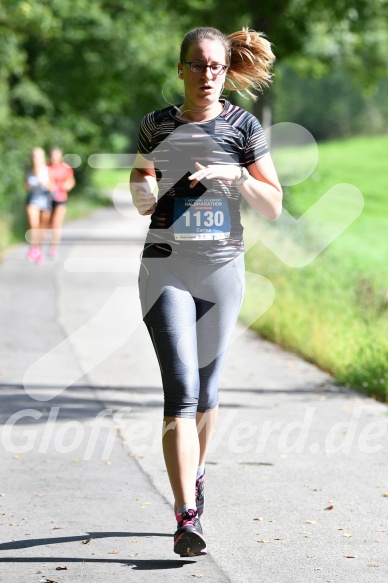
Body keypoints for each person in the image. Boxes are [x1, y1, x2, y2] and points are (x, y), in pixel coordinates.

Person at [129, 26, 282, 557]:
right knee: (181, 392)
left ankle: (193, 477)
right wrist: (145, 192)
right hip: (165, 268)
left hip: (221, 271)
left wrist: (234, 174)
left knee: (208, 391)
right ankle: (186, 515)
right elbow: (139, 180)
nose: (207, 75)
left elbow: (273, 205)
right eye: (197, 65)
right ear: (181, 69)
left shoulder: (243, 128)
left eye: (215, 66)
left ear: (226, 70)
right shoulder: (157, 124)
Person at [25, 147, 53, 264]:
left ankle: (39, 250)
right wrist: (28, 186)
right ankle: (34, 248)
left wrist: (46, 184)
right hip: (33, 201)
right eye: (34, 156)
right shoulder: (29, 170)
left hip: (45, 201)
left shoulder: (47, 170)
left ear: (43, 158)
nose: (36, 158)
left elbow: (53, 187)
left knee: (41, 229)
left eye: (38, 156)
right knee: (34, 225)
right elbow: (25, 185)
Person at [48, 147, 75, 259]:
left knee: (56, 225)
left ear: (60, 156)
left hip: (61, 198)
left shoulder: (65, 168)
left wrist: (67, 185)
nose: (54, 158)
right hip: (47, 199)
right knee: (47, 225)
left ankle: (53, 249)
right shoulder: (46, 167)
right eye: (52, 155)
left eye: (56, 155)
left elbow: (71, 181)